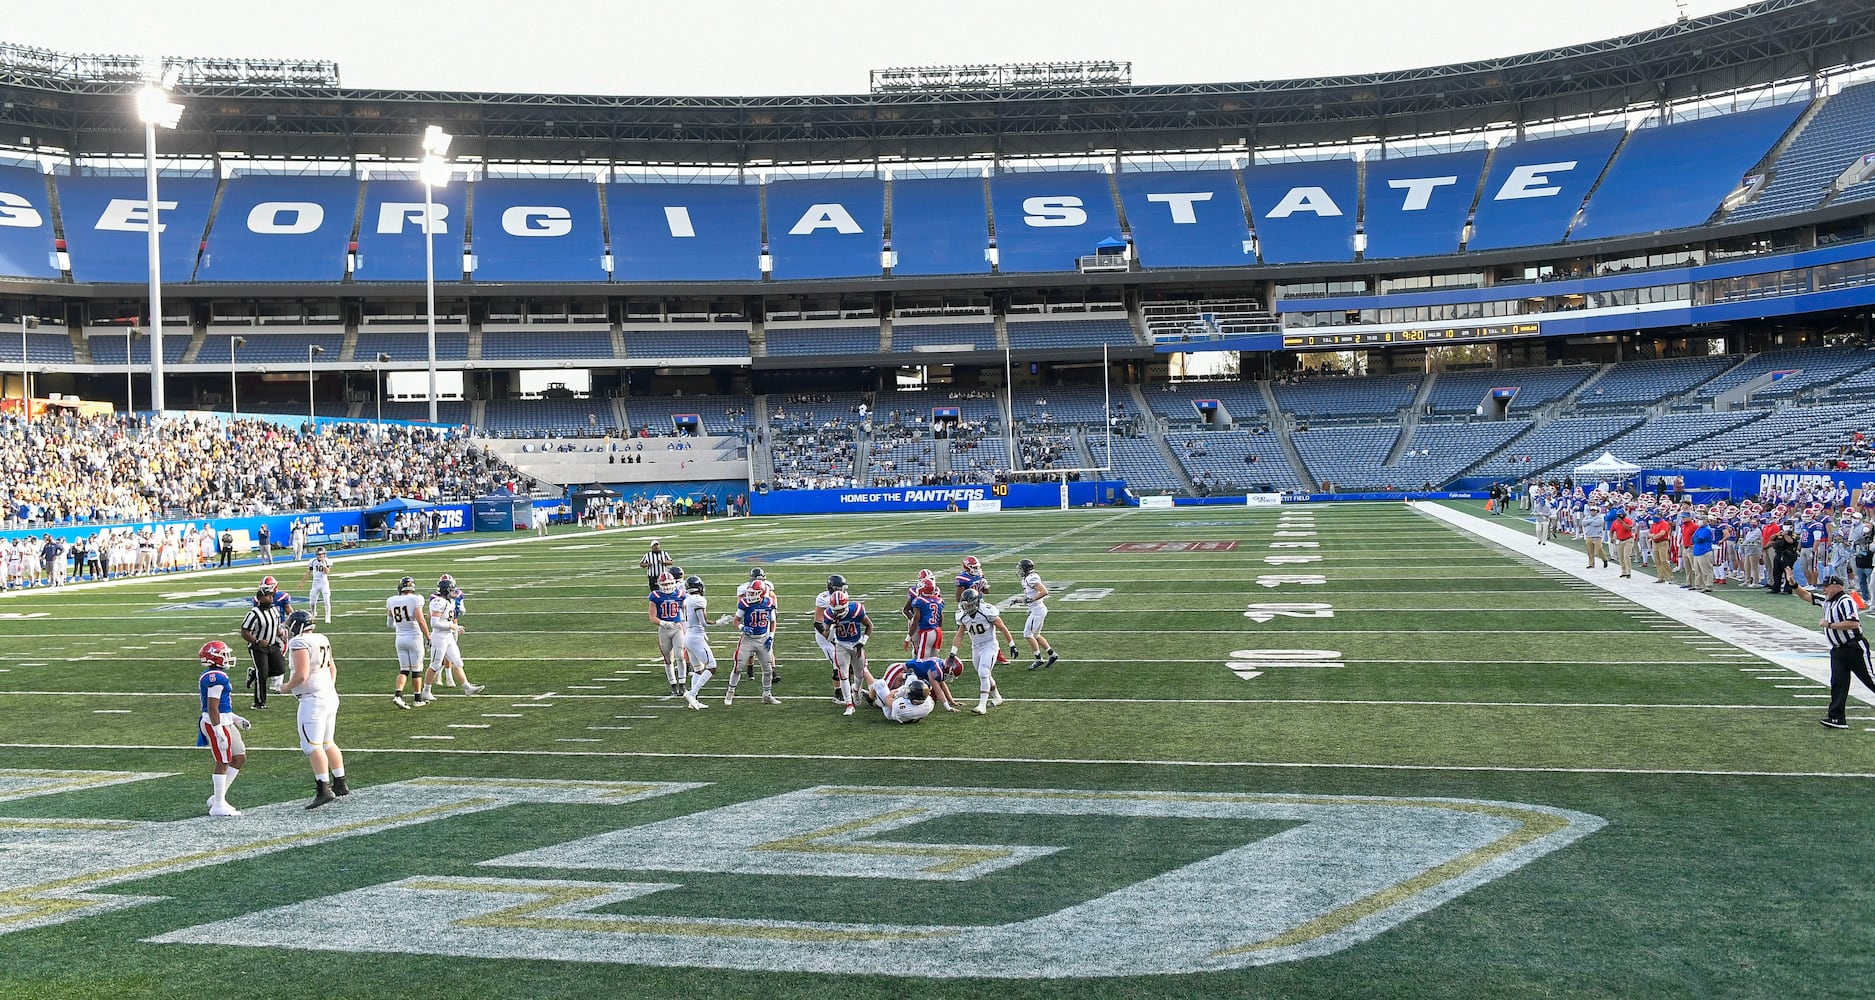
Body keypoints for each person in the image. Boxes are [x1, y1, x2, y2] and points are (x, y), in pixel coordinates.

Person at [1791, 574, 1875, 730]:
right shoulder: (1827, 601)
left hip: (1854, 647)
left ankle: (1837, 717)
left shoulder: (1846, 601)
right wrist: (1794, 584)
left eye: (1827, 586)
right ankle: (1837, 718)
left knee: (1870, 680)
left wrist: (1829, 624)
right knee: (1838, 684)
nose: (1825, 589)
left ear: (1838, 587)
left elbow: (1853, 624)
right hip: (1837, 650)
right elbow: (1806, 595)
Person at [282, 610, 348, 809]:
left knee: (313, 746)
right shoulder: (321, 638)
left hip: (313, 700)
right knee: (328, 742)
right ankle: (340, 783)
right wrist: (327, 687)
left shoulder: (299, 642)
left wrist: (286, 687)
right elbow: (332, 668)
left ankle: (323, 789)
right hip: (328, 695)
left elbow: (301, 675)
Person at [196, 640, 250, 817]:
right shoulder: (215, 678)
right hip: (215, 722)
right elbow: (212, 707)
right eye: (223, 655)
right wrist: (218, 730)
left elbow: (223, 706)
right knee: (223, 760)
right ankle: (218, 805)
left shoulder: (217, 675)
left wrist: (235, 719)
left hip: (223, 720)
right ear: (214, 658)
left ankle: (218, 797)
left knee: (239, 757)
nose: (227, 658)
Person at [953, 588, 1014, 715]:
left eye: (969, 605)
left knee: (983, 673)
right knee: (984, 674)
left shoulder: (987, 611)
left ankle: (982, 705)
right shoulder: (963, 615)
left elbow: (1002, 627)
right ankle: (997, 697)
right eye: (965, 605)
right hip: (976, 647)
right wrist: (953, 652)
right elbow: (959, 634)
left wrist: (1012, 644)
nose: (967, 608)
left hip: (990, 645)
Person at [423, 575, 484, 699]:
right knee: (435, 665)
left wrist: (455, 627)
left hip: (448, 636)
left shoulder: (448, 601)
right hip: (439, 637)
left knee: (457, 661)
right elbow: (434, 623)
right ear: (445, 591)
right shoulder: (438, 602)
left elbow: (449, 620)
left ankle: (467, 688)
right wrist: (452, 626)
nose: (453, 592)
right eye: (451, 590)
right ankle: (426, 691)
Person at [724, 579, 780, 706]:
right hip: (748, 639)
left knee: (768, 670)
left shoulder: (769, 603)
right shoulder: (745, 604)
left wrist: (771, 637)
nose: (750, 596)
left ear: (762, 593)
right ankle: (730, 692)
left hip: (763, 639)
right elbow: (736, 620)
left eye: (754, 593)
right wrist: (742, 627)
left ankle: (767, 695)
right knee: (738, 667)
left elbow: (772, 621)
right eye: (750, 593)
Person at [821, 589, 872, 716]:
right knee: (842, 673)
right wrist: (832, 627)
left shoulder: (856, 609)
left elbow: (869, 625)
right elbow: (826, 636)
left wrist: (863, 641)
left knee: (859, 674)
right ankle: (849, 704)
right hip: (841, 644)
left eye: (840, 609)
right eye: (835, 610)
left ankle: (856, 690)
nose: (837, 612)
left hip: (856, 644)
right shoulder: (829, 614)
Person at [386, 576, 430, 709]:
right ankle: (418, 699)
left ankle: (398, 695)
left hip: (400, 638)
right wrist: (428, 636)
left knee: (404, 670)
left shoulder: (391, 600)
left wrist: (401, 626)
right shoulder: (416, 599)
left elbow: (389, 624)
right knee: (417, 670)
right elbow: (421, 620)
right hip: (414, 637)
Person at [240, 586, 286, 709]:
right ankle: (259, 702)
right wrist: (257, 641)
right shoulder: (253, 613)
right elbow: (244, 632)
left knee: (280, 668)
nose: (271, 597)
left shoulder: (274, 610)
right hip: (257, 648)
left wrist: (280, 635)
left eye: (272, 595)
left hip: (272, 644)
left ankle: (254, 673)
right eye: (268, 595)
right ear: (260, 597)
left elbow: (275, 626)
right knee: (263, 674)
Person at [1012, 558, 1059, 669]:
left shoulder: (1031, 579)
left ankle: (1038, 658)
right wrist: (1018, 600)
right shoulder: (1026, 579)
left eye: (1020, 568)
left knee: (1027, 634)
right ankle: (1052, 654)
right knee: (1036, 635)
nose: (1019, 571)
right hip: (1037, 610)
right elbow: (1028, 597)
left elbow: (1044, 591)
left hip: (1037, 610)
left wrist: (1031, 600)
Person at [679, 575, 718, 710]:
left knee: (698, 669)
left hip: (688, 635)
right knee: (712, 666)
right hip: (696, 637)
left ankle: (693, 701)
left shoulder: (687, 599)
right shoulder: (698, 600)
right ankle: (692, 694)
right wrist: (719, 623)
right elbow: (704, 622)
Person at [853, 663, 935, 725]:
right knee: (912, 677)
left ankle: (870, 698)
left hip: (892, 712)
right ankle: (906, 675)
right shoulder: (929, 703)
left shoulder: (901, 706)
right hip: (911, 712)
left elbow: (888, 699)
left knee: (880, 684)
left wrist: (895, 691)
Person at [649, 571, 687, 695]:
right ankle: (673, 684)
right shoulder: (655, 596)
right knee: (668, 659)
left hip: (677, 627)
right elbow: (652, 618)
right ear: (659, 585)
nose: (667, 586)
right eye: (664, 584)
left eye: (670, 583)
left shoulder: (681, 594)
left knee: (680, 656)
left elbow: (687, 612)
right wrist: (662, 623)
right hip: (664, 630)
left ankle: (682, 683)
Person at [904, 577, 945, 659]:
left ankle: (919, 672)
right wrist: (938, 628)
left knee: (922, 660)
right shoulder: (938, 600)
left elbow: (916, 620)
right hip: (937, 632)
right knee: (934, 659)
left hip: (926, 632)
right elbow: (941, 617)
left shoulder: (919, 601)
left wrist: (908, 637)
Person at [302, 547, 334, 624]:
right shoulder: (313, 561)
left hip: (324, 584)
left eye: (322, 554)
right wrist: (303, 582)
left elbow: (327, 572)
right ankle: (313, 613)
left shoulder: (327, 561)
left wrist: (323, 564)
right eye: (319, 554)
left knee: (326, 600)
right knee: (312, 602)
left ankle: (327, 616)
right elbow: (309, 572)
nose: (321, 556)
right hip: (315, 584)